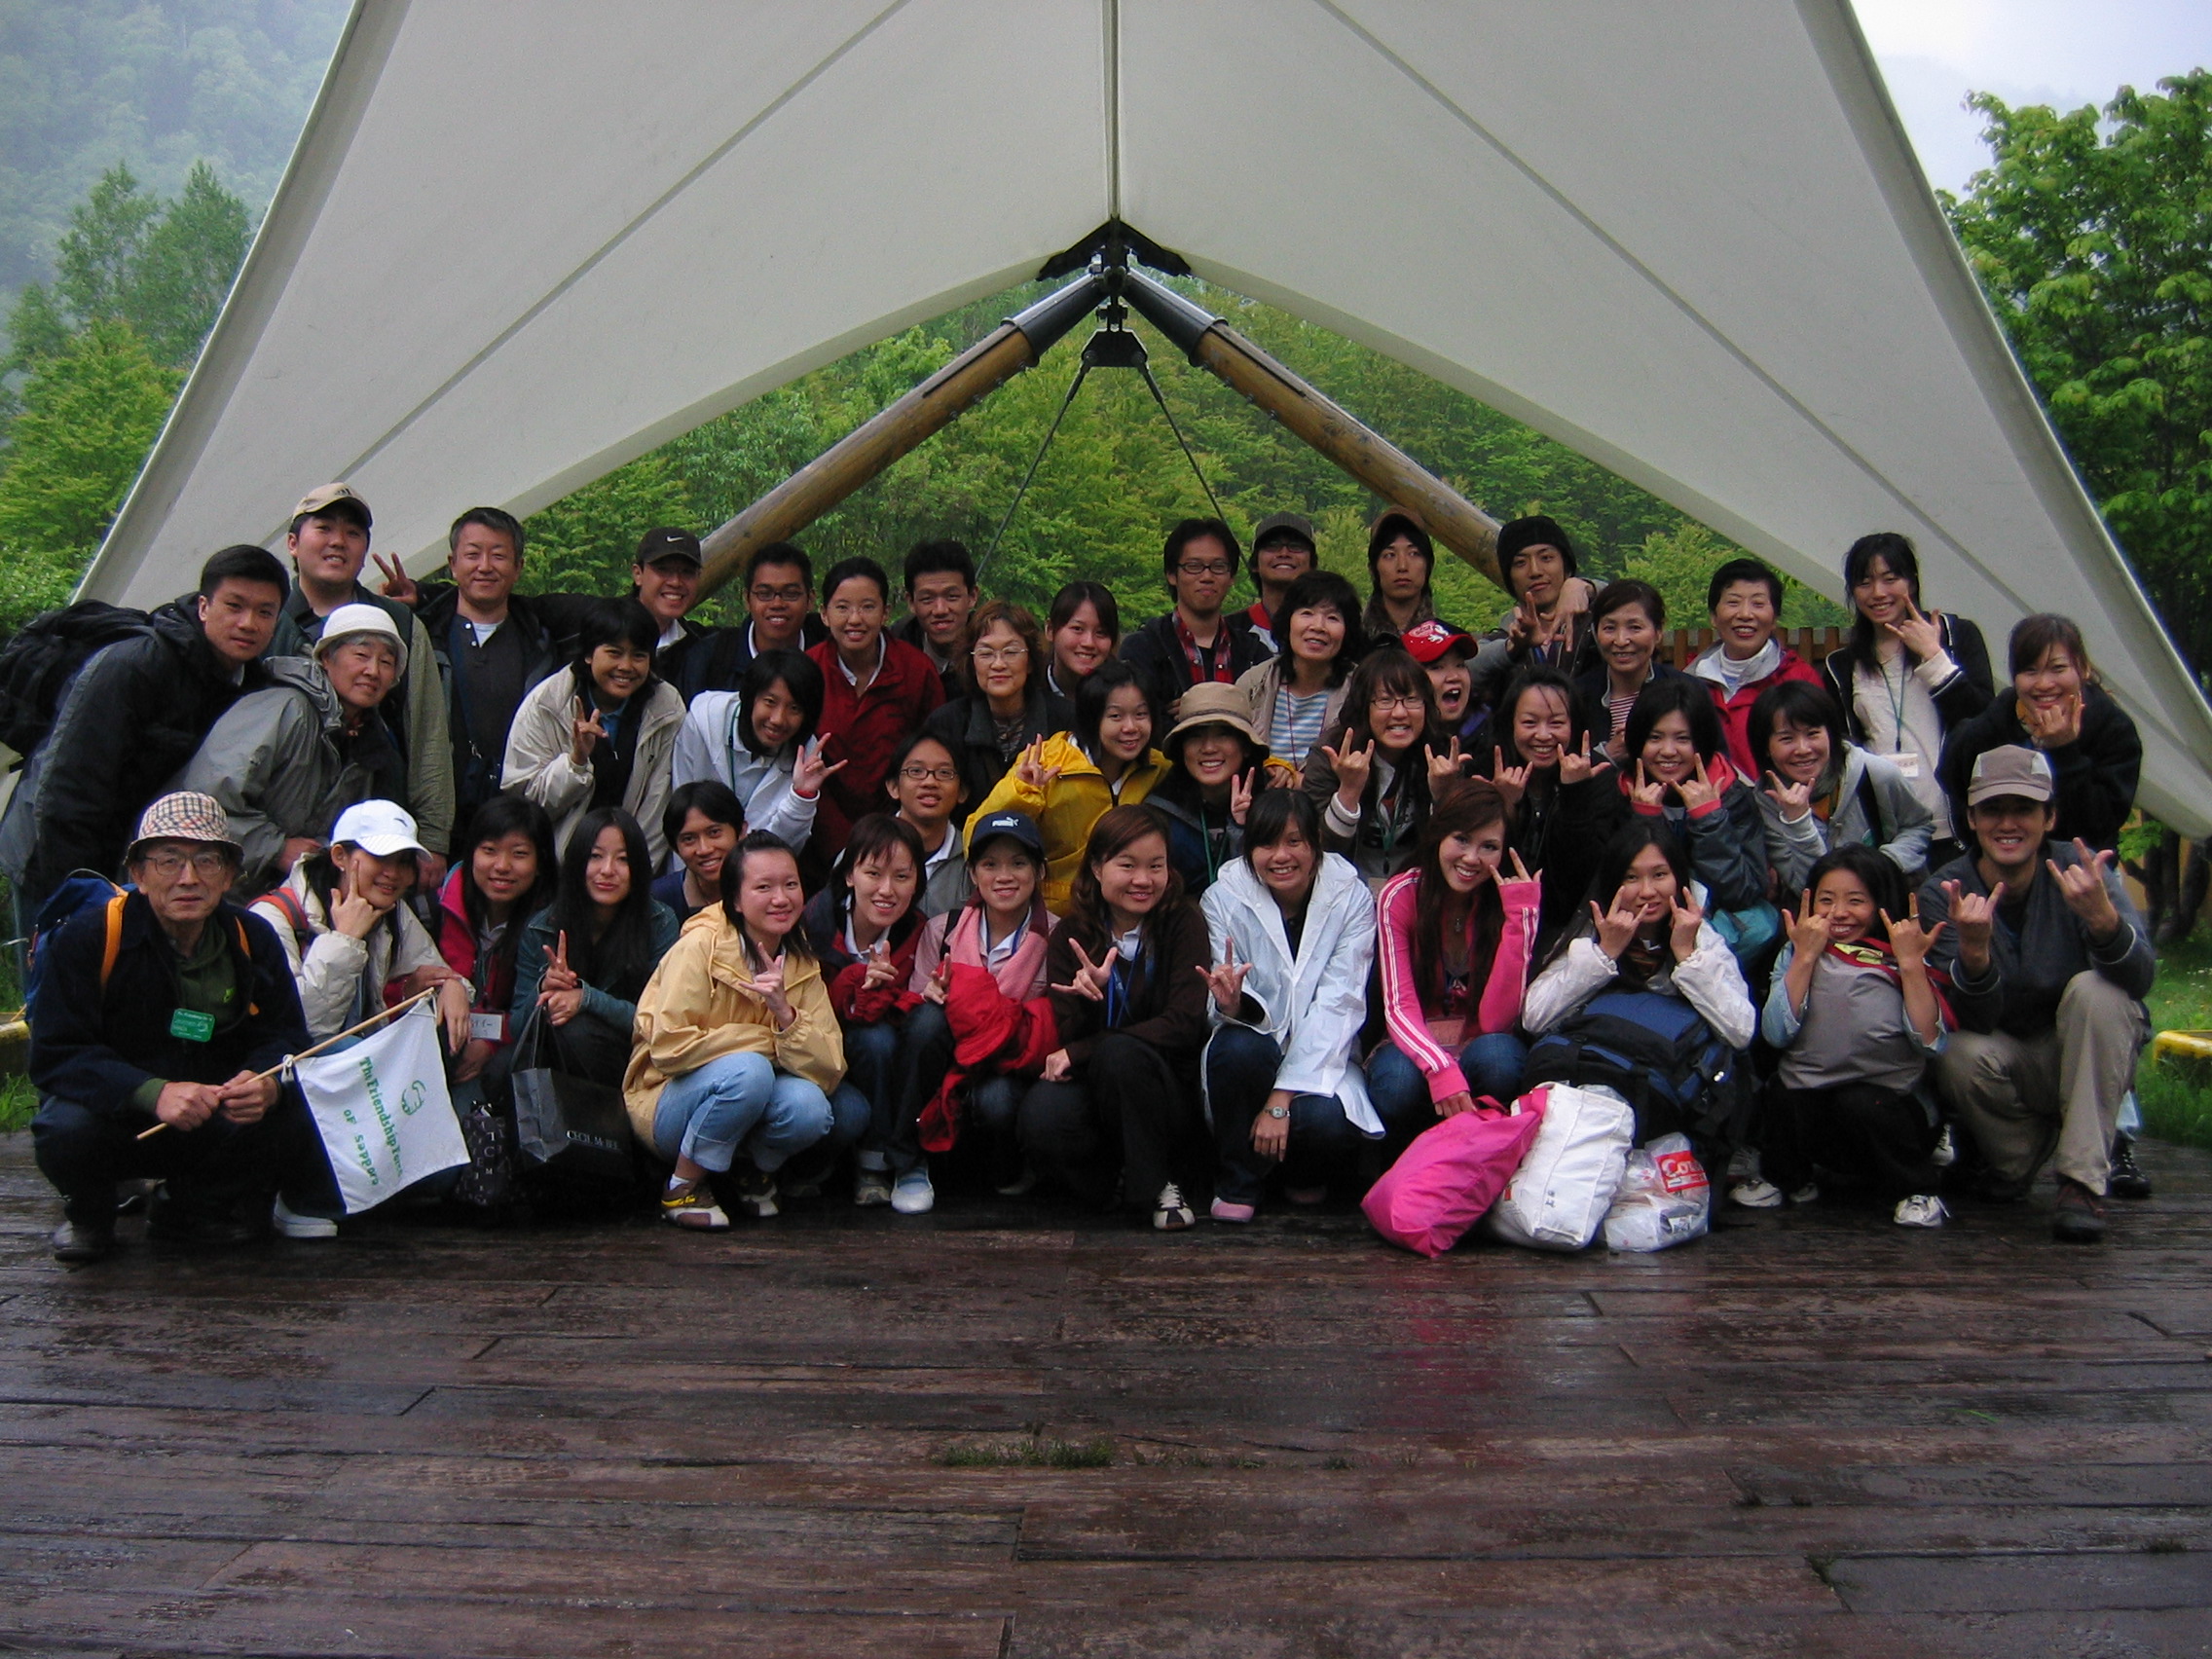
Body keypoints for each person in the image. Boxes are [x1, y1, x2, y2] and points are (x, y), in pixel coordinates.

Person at [28, 793, 310, 1261]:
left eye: (207, 861)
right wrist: (152, 1092)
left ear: (228, 875)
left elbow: (287, 1037)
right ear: (138, 874)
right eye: (169, 861)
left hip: (212, 1110)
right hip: (117, 1114)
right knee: (66, 1128)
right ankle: (89, 1213)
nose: (188, 878)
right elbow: (58, 1053)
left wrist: (265, 1081)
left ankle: (189, 1207)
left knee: (294, 1114)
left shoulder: (251, 936)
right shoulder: (89, 938)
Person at [1919, 746, 2154, 1242]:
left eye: (2023, 809)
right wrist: (1975, 956)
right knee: (1955, 1051)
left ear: (2049, 818)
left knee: (2099, 991)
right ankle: (2019, 1161)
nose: (2008, 824)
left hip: (2084, 1050)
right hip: (2006, 1056)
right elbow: (1970, 1019)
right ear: (1971, 819)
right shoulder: (1945, 891)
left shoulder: (2085, 872)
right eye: (1992, 810)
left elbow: (2140, 981)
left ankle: (2080, 1182)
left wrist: (2104, 922)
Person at [0, 544, 287, 913]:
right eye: (234, 606)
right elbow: (69, 787)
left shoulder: (249, 684)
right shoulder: (134, 666)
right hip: (52, 855)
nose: (248, 623)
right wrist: (83, 897)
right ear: (204, 606)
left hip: (136, 863)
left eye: (265, 612)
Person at [626, 830, 844, 1227]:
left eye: (790, 884)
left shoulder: (800, 960)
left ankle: (747, 1168)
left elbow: (830, 1069)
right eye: (763, 887)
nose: (781, 898)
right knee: (751, 1070)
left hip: (742, 1099)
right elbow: (669, 1049)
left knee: (810, 1107)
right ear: (736, 900)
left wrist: (786, 1015)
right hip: (666, 1102)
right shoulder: (700, 947)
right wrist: (767, 1041)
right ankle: (682, 1187)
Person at [1019, 806, 1212, 1230]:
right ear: (1097, 867)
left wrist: (1089, 1048)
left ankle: (1161, 1183)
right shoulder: (1072, 935)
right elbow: (1068, 1032)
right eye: (1127, 865)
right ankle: (1108, 1186)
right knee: (1042, 1113)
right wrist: (1091, 1000)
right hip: (1095, 1087)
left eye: (1155, 866)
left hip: (1165, 1087)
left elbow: (1184, 1022)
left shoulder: (1183, 923)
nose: (1143, 880)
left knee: (1122, 1055)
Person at [1199, 790, 1381, 1221]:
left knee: (1323, 1120)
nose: (1281, 856)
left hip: (1324, 1054)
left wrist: (1281, 1098)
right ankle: (1239, 1182)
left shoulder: (1351, 897)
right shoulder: (1222, 897)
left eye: (1294, 841)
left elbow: (1341, 1001)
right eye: (1266, 844)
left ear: (1315, 844)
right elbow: (1222, 991)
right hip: (1257, 1047)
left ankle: (1299, 1173)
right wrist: (1233, 1005)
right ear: (1249, 850)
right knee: (1237, 1050)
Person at [1522, 822, 1758, 1146]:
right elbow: (1534, 1017)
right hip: (1591, 1080)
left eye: (1659, 875)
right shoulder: (1594, 932)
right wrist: (1605, 953)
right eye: (1631, 878)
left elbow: (1741, 1030)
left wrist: (1687, 956)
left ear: (1679, 878)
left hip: (1667, 1095)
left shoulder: (1700, 938)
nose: (1647, 891)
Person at [1756, 845, 1952, 1227]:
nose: (1839, 912)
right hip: (1815, 1105)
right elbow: (1776, 1034)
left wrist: (1911, 964)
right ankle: (1789, 1180)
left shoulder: (1902, 953)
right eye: (1827, 900)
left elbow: (1930, 1043)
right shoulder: (1795, 953)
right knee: (1782, 1092)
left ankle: (1916, 1191)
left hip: (1889, 1111)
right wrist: (1805, 957)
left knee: (1861, 1101)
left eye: (1856, 901)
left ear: (1881, 903)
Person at [267, 484, 455, 875]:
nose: (338, 542)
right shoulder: (264, 617)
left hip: (378, 834)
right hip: (279, 832)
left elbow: (427, 734)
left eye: (352, 533)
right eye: (324, 529)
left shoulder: (401, 624)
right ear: (292, 543)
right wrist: (266, 843)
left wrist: (433, 839)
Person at [886, 809, 1057, 1211]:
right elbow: (914, 1014)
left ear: (1039, 871)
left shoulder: (1058, 936)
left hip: (1009, 1066)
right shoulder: (942, 930)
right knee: (926, 1021)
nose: (1004, 876)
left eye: (1018, 863)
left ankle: (1003, 1166)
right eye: (990, 864)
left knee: (998, 1100)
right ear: (973, 873)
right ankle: (908, 1162)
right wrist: (932, 995)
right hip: (949, 1059)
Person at [175, 602, 408, 895]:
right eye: (361, 655)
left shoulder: (369, 740)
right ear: (326, 657)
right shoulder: (286, 708)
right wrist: (275, 848)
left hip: (280, 898)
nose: (372, 671)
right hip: (204, 885)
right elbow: (203, 800)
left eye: (386, 662)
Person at [1366, 779, 1543, 1151]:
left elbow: (1496, 1022)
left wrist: (1520, 919)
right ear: (1438, 836)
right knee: (1396, 1083)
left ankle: (1477, 1156)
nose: (1471, 858)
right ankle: (1403, 1160)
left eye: (1489, 846)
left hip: (1478, 1045)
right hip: (1413, 1044)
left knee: (1500, 1060)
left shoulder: (1510, 903)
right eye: (1461, 839)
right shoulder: (1400, 894)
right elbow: (1398, 1005)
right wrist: (1440, 1068)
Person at [1823, 532, 1995, 867]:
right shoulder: (1842, 667)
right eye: (1865, 582)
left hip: (1957, 830)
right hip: (1888, 839)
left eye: (1890, 579)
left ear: (1912, 581)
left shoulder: (1955, 637)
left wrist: (1935, 659)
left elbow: (1984, 723)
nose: (1878, 593)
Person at [251, 800, 472, 1050]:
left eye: (403, 861)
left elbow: (434, 969)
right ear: (339, 856)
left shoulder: (391, 909)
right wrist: (345, 940)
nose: (393, 873)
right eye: (380, 857)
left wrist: (451, 986)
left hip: (361, 1058)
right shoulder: (272, 917)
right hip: (289, 1064)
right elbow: (304, 1029)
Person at [412, 508, 559, 857]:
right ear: (452, 563)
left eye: (498, 555)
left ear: (518, 567)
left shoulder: (541, 641)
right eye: (473, 554)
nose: (485, 566)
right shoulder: (422, 637)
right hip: (440, 821)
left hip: (520, 819)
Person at [970, 658, 1171, 914]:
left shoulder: (1157, 768)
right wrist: (1022, 794)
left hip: (1124, 912)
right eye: (1116, 716)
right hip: (1051, 913)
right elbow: (975, 837)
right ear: (1091, 718)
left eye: (1140, 715)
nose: (1130, 727)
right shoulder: (1045, 763)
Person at [500, 598, 687, 866]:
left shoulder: (666, 708)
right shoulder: (547, 703)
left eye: (638, 655)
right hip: (551, 866)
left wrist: (633, 869)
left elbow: (658, 804)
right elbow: (525, 805)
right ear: (589, 654)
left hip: (627, 868)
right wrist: (575, 762)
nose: (626, 666)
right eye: (614, 653)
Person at [800, 814, 927, 1206]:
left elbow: (912, 1012)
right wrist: (854, 980)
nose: (887, 890)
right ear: (849, 875)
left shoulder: (919, 931)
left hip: (884, 1063)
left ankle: (875, 1161)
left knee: (879, 1040)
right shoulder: (814, 923)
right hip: (815, 1057)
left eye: (902, 877)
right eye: (873, 873)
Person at [1938, 613, 2141, 856]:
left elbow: (2098, 824)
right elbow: (1952, 779)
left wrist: (2064, 750)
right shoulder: (1996, 719)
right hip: (2001, 866)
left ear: (2082, 669)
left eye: (2058, 669)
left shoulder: (2111, 727)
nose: (2044, 684)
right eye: (2030, 671)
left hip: (2080, 866)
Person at [513, 808, 682, 1087]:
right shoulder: (542, 927)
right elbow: (517, 1027)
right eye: (595, 856)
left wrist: (586, 999)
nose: (607, 870)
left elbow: (660, 1021)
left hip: (628, 1058)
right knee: (505, 1064)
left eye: (623, 859)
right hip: (555, 1056)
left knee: (577, 1030)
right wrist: (544, 989)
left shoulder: (659, 922)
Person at [1470, 664, 1625, 949]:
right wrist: (1504, 807)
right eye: (1530, 723)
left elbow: (1581, 880)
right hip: (1494, 924)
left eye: (1556, 723)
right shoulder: (1486, 773)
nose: (1543, 735)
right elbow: (1476, 868)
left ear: (1575, 726)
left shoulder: (1599, 778)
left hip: (1573, 932)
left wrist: (1575, 794)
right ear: (1510, 724)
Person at [1620, 678, 1774, 950]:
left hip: (1711, 916)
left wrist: (1708, 820)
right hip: (1644, 919)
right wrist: (1645, 821)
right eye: (1655, 738)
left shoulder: (1731, 793)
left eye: (1683, 739)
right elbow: (1613, 886)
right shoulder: (1619, 791)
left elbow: (1744, 891)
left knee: (1762, 922)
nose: (1668, 751)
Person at [807, 555, 947, 845]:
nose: (855, 619)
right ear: (824, 614)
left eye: (868, 607)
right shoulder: (809, 670)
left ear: (886, 613)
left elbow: (935, 750)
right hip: (820, 831)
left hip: (901, 830)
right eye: (842, 608)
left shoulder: (915, 670)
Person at [1751, 680, 1934, 893]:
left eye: (1812, 734)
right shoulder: (1766, 800)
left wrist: (1884, 864)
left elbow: (1918, 825)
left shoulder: (1875, 773)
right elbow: (1806, 886)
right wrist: (1798, 822)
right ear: (1766, 747)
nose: (1803, 749)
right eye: (1786, 739)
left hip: (1887, 896)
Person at [430, 794, 560, 1089]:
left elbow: (535, 1011)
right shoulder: (440, 904)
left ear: (540, 862)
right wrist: (446, 983)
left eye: (519, 854)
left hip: (508, 1046)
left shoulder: (550, 924)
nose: (502, 866)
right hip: (448, 1033)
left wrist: (490, 1044)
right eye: (489, 850)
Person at [1302, 646, 1449, 888]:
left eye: (1412, 699)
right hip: (1343, 892)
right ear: (1363, 706)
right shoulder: (1332, 754)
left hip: (1418, 890)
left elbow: (1452, 846)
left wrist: (1444, 795)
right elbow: (1319, 850)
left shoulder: (1441, 754)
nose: (1400, 713)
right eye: (1385, 701)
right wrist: (1348, 792)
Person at [921, 599, 1073, 824]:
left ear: (1030, 661)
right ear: (971, 661)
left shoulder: (1067, 720)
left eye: (1011, 652)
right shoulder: (946, 724)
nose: (998, 664)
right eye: (986, 653)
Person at [670, 647, 835, 853]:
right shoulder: (704, 722)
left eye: (794, 709)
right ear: (749, 697)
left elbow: (781, 849)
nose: (778, 719)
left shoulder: (806, 753)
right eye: (770, 702)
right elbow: (680, 812)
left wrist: (801, 798)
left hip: (757, 868)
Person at [1148, 684, 1297, 897]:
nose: (1209, 748)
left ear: (1246, 746)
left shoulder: (1277, 799)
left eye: (1223, 735)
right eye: (1195, 736)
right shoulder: (1159, 812)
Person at [1118, 518, 1271, 721]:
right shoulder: (1143, 649)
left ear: (1231, 577)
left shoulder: (1256, 655)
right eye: (1194, 566)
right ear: (1172, 575)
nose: (1207, 576)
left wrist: (1199, 707)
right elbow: (1137, 721)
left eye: (1218, 566)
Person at [1685, 556, 1822, 777]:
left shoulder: (1799, 678)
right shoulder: (1689, 682)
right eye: (1733, 603)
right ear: (1713, 616)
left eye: (1758, 604)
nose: (1745, 615)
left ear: (1774, 618)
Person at [652, 540, 829, 693]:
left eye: (790, 594)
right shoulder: (707, 660)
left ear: (810, 599)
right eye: (764, 594)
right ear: (747, 599)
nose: (777, 604)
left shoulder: (830, 655)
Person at [1464, 514, 1603, 710]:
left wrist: (1585, 587)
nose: (1535, 571)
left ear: (1566, 565)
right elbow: (1465, 671)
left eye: (1546, 558)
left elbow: (1634, 602)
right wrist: (1513, 648)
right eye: (1520, 563)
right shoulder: (1506, 636)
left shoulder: (1599, 623)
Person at [1235, 569, 1361, 770]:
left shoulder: (1360, 689)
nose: (1318, 626)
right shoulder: (1254, 683)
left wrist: (1305, 781)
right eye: (1307, 613)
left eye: (1332, 618)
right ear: (1288, 621)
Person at [1572, 579, 1690, 762]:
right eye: (1609, 628)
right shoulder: (1576, 696)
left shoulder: (1688, 691)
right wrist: (1607, 754)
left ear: (1658, 631)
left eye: (1635, 627)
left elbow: (1715, 760)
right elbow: (1560, 767)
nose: (1621, 640)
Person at [886, 730, 970, 917]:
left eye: (944, 773)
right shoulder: (863, 852)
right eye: (916, 771)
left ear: (962, 792)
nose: (930, 782)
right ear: (893, 786)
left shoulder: (974, 858)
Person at [894, 538, 978, 701]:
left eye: (952, 597)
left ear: (972, 597)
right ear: (911, 602)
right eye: (927, 599)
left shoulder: (995, 653)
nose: (940, 610)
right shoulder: (892, 654)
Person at [654, 780, 746, 920]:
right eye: (689, 839)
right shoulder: (657, 902)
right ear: (675, 847)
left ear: (741, 832)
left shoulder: (770, 892)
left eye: (714, 832)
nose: (704, 849)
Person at [1361, 506, 1439, 643]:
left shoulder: (1447, 643)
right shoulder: (1350, 642)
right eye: (1390, 555)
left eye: (1413, 553)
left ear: (1429, 565)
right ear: (1372, 569)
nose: (1402, 566)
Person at [1241, 511, 1318, 650]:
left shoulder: (1328, 632)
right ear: (1255, 563)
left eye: (1296, 546)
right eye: (1272, 546)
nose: (1284, 553)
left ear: (1312, 564)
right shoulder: (1228, 631)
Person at [1401, 619, 1484, 744]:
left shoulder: (1490, 733)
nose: (1454, 676)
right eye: (1437, 667)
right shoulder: (1392, 745)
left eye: (1460, 665)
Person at [1045, 580, 1120, 699]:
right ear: (1050, 630)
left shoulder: (1124, 696)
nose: (1089, 643)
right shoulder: (1024, 694)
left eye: (1101, 633)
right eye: (1077, 629)